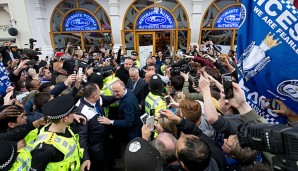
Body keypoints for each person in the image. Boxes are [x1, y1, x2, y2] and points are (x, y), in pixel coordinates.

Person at [11, 95, 83, 171]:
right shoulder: (46, 149)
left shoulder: (64, 127)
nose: (74, 114)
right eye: (72, 113)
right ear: (65, 118)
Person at [75, 83, 117, 171]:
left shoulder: (96, 99)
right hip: (95, 147)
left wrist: (118, 95)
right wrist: (85, 157)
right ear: (94, 95)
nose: (100, 93)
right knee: (101, 166)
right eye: (99, 92)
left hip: (104, 140)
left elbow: (105, 99)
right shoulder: (82, 112)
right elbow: (81, 137)